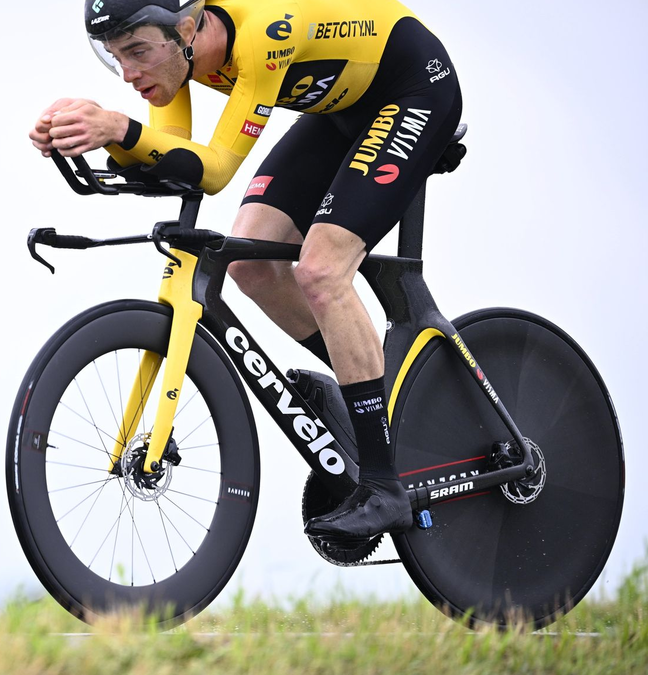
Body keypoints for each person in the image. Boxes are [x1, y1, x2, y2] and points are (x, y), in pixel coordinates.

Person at [29, 0, 463, 544]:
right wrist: (90, 138)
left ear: (187, 29)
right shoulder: (177, 58)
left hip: (411, 90)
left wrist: (118, 126)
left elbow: (212, 171)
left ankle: (383, 487)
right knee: (253, 264)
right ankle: (374, 395)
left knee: (322, 271)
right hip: (341, 107)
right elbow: (175, 154)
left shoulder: (262, 35)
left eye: (138, 52)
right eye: (115, 58)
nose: (129, 74)